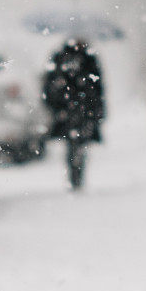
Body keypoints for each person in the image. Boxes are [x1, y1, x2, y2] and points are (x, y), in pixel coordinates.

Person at [43, 38, 105, 189]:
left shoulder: (87, 58)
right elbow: (50, 84)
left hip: (82, 107)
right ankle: (74, 173)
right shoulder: (62, 56)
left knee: (79, 141)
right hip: (69, 107)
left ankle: (76, 173)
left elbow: (98, 86)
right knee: (73, 142)